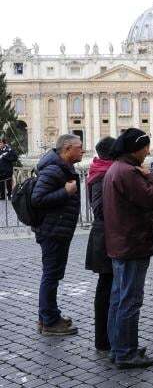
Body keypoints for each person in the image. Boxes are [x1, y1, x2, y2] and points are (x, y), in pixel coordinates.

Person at [104, 128, 153, 369]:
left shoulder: (115, 168)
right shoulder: (129, 172)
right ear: (135, 148)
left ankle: (118, 347)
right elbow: (152, 198)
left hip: (121, 243)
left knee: (118, 298)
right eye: (145, 146)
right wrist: (149, 177)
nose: (148, 151)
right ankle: (126, 352)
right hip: (132, 244)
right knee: (129, 300)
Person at [32, 134, 84, 336]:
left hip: (58, 229)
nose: (82, 151)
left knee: (53, 274)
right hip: (52, 231)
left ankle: (47, 316)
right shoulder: (54, 169)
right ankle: (49, 321)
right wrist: (65, 192)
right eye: (79, 147)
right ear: (67, 149)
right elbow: (38, 198)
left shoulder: (61, 167)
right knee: (51, 275)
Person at [84, 136, 116, 352]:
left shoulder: (99, 170)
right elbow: (100, 208)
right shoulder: (102, 174)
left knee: (107, 286)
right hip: (105, 235)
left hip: (104, 234)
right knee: (106, 286)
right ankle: (103, 339)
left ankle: (105, 338)